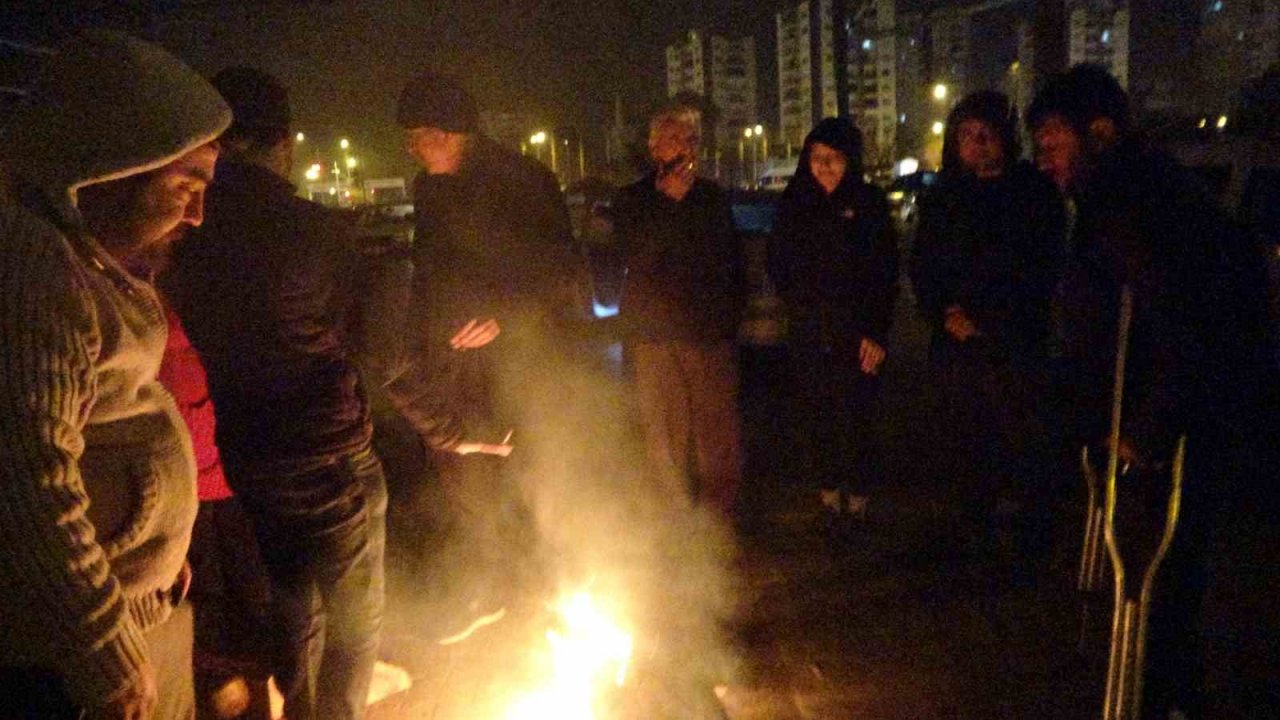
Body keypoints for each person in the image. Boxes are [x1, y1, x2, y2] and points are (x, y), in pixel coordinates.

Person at [164, 68, 505, 720]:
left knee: (289, 596)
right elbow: (386, 355)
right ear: (283, 143)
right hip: (327, 462)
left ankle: (300, 704)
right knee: (354, 614)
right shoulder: (311, 233)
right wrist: (454, 430)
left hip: (246, 461)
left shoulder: (184, 237)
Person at [1028, 64, 1278, 718]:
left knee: (1163, 574)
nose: (1043, 161)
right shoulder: (1128, 189)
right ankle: (1165, 693)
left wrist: (1147, 427)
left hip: (1174, 425)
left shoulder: (1132, 200)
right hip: (1170, 414)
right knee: (1164, 575)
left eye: (1053, 145)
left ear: (1099, 132)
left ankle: (1163, 697)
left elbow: (1180, 316)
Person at [0, 29, 229, 719]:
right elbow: (29, 475)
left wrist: (155, 556)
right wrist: (102, 643)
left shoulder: (89, 261)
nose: (197, 212)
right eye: (183, 185)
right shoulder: (36, 268)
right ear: (109, 168)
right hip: (66, 657)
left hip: (128, 610)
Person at [394, 72, 584, 618]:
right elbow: (429, 268)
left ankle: (546, 590)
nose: (409, 146)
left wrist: (502, 314)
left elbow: (560, 269)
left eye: (416, 133)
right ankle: (488, 583)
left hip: (518, 361)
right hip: (453, 362)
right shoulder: (429, 186)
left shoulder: (525, 181)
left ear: (449, 133)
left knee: (521, 466)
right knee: (461, 472)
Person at [910, 91, 1065, 577]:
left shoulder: (1032, 194)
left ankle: (1028, 540)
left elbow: (1041, 267)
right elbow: (923, 265)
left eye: (985, 135)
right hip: (956, 346)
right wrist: (943, 312)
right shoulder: (943, 197)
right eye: (966, 136)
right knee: (963, 442)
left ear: (1004, 138)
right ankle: (968, 532)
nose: (976, 145)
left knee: (1019, 441)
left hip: (1013, 344)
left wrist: (993, 318)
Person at [611, 106, 746, 515]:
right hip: (655, 338)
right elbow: (636, 257)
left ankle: (714, 520)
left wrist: (729, 318)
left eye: (691, 139)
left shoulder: (711, 198)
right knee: (662, 436)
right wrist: (669, 206)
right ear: (655, 148)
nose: (685, 147)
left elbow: (730, 261)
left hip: (707, 336)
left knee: (716, 435)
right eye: (674, 138)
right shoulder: (634, 200)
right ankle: (670, 518)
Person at [768, 117, 899, 530]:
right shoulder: (794, 204)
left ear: (850, 161)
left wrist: (876, 333)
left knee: (857, 416)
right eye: (817, 158)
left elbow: (885, 273)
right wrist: (799, 305)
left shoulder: (869, 204)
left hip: (857, 333)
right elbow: (778, 262)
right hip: (810, 332)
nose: (825, 167)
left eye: (835, 159)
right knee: (817, 415)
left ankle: (858, 498)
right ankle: (827, 494)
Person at [156, 302, 272, 720]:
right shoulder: (138, 292)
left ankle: (253, 696)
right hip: (183, 481)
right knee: (205, 604)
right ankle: (222, 699)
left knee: (255, 594)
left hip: (229, 469)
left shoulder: (206, 281)